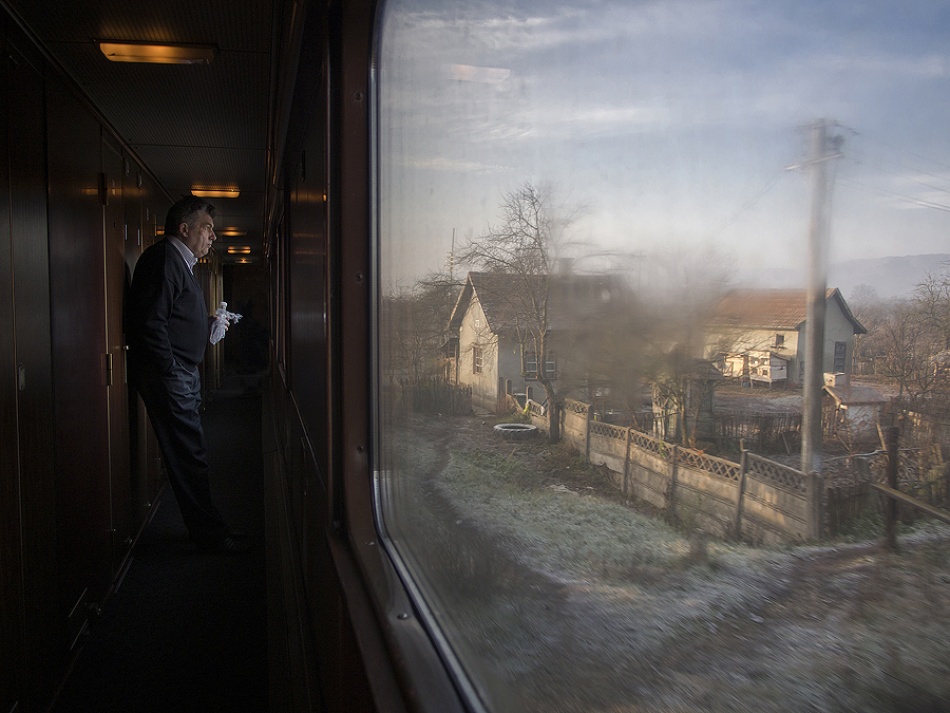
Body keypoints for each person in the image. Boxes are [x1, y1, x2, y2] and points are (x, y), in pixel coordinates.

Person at [126, 195, 248, 554]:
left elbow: (172, 317)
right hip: (173, 375)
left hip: (181, 373)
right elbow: (151, 323)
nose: (213, 236)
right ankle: (210, 535)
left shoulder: (181, 263)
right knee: (190, 456)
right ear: (184, 229)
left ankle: (210, 528)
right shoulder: (165, 259)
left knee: (191, 453)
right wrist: (171, 369)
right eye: (206, 228)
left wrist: (207, 325)